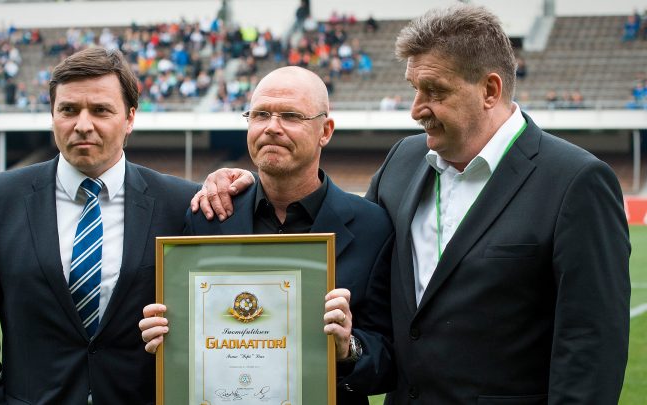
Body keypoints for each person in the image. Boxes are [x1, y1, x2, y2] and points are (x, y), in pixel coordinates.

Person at [190, 4, 631, 404]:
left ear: (490, 90)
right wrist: (252, 179)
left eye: (434, 91)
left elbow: (591, 349)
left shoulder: (575, 181)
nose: (416, 108)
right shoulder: (403, 161)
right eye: (413, 88)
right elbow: (342, 227)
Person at [0, 47, 200, 404]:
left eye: (100, 110)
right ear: (53, 115)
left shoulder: (182, 204)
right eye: (68, 110)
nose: (83, 124)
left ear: (129, 118)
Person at [139, 66, 395, 405]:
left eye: (290, 116)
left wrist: (349, 348)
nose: (272, 128)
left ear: (326, 130)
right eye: (260, 114)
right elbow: (191, 337)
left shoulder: (372, 227)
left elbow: (390, 357)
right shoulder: (209, 216)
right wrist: (167, 334)